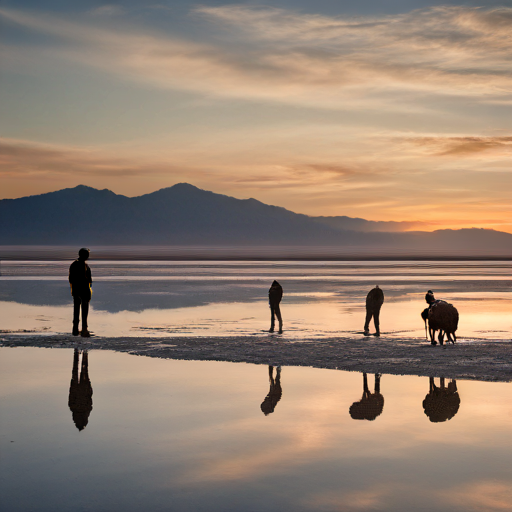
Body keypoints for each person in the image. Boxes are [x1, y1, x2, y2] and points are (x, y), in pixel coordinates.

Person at [69, 248, 92, 337]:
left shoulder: (79, 265)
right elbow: (73, 279)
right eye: (86, 255)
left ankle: (78, 329)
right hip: (81, 291)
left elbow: (71, 279)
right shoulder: (79, 265)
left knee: (78, 310)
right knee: (82, 310)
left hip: (80, 290)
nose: (87, 256)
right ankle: (82, 329)